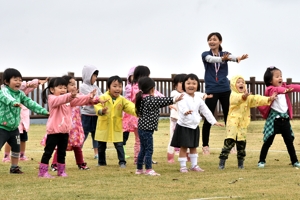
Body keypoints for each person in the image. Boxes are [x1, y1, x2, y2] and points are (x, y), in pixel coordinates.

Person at [38, 77, 96, 178]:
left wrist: (89, 96)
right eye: (60, 88)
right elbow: (60, 99)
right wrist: (69, 95)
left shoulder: (68, 100)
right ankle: (42, 172)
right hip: (54, 131)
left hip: (65, 131)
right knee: (48, 151)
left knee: (62, 152)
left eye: (64, 88)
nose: (63, 90)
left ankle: (61, 171)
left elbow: (79, 100)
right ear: (52, 90)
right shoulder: (52, 98)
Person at [201, 32, 248, 155]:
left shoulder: (225, 54)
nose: (211, 41)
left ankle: (231, 144)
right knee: (208, 117)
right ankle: (205, 146)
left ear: (220, 42)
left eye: (214, 39)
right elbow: (210, 60)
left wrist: (238, 58)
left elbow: (231, 57)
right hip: (211, 89)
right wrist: (223, 59)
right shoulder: (205, 54)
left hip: (225, 89)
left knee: (229, 118)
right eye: (209, 39)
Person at [218, 75, 277, 170]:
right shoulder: (233, 95)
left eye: (242, 82)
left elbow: (256, 99)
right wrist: (243, 96)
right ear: (233, 85)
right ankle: (222, 162)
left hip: (243, 123)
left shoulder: (248, 97)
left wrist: (269, 98)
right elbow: (236, 99)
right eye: (238, 82)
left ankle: (240, 164)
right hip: (233, 123)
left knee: (241, 143)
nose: (241, 83)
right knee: (229, 142)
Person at [171, 74, 224, 173]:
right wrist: (186, 111)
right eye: (188, 83)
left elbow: (206, 111)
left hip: (194, 126)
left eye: (194, 83)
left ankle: (194, 165)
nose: (191, 85)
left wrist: (214, 121)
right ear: (184, 85)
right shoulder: (181, 96)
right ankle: (183, 166)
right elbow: (182, 107)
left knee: (193, 147)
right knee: (183, 147)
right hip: (184, 125)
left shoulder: (198, 98)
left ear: (198, 85)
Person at [0, 68, 49, 174]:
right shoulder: (3, 91)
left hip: (14, 128)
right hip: (2, 127)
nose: (18, 82)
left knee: (16, 148)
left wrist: (44, 111)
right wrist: (14, 102)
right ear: (6, 82)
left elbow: (30, 103)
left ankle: (14, 167)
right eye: (15, 80)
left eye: (20, 80)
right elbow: (6, 97)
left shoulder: (20, 94)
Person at [49, 75, 102, 171]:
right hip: (63, 127)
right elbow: (64, 99)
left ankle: (81, 163)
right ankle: (55, 164)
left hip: (75, 126)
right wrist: (70, 96)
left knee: (77, 145)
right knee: (61, 145)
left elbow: (83, 100)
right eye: (71, 84)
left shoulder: (76, 96)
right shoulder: (59, 98)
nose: (74, 86)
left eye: (75, 84)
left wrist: (94, 99)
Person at [135, 77, 184, 176]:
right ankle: (148, 169)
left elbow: (160, 102)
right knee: (149, 149)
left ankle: (139, 169)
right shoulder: (150, 99)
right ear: (152, 89)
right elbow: (162, 101)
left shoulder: (143, 98)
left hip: (142, 128)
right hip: (146, 129)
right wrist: (175, 99)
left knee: (143, 149)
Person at [257, 66, 300, 168]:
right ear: (269, 80)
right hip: (274, 120)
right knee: (268, 141)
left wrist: (291, 88)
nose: (280, 78)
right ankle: (261, 161)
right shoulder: (270, 89)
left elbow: (294, 87)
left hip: (284, 120)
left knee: (289, 142)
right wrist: (284, 90)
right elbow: (277, 89)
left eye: (281, 76)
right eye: (277, 76)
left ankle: (295, 161)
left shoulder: (284, 87)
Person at [94, 76, 136, 168]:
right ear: (108, 87)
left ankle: (122, 161)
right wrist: (102, 111)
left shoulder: (122, 99)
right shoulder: (103, 97)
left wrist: (137, 111)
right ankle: (101, 162)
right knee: (101, 145)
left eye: (120, 86)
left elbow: (130, 106)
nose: (118, 89)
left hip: (116, 125)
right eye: (115, 86)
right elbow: (97, 106)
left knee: (119, 145)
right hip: (104, 125)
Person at [128, 65, 163, 164]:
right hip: (139, 117)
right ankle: (138, 158)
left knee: (142, 140)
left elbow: (158, 94)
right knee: (140, 140)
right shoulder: (138, 88)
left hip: (139, 117)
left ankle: (144, 158)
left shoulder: (137, 87)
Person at [80, 65, 103, 159]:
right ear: (88, 75)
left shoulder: (95, 86)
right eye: (94, 76)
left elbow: (101, 95)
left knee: (95, 135)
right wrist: (98, 98)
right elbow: (91, 98)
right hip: (86, 114)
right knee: (84, 134)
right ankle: (79, 151)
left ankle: (96, 153)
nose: (95, 78)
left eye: (96, 76)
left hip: (95, 114)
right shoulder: (83, 87)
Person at [122, 66, 136, 159]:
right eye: (133, 76)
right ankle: (123, 152)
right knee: (125, 134)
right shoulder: (129, 87)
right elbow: (129, 99)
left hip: (135, 113)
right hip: (128, 113)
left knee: (138, 134)